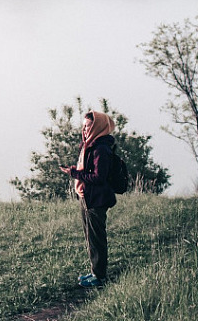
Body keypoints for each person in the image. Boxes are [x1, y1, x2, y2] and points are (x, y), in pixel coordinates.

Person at [60, 110, 116, 288]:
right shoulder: (89, 145)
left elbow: (99, 178)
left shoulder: (101, 148)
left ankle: (99, 276)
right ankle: (95, 272)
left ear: (98, 127)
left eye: (88, 126)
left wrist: (75, 173)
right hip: (87, 196)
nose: (84, 130)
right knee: (90, 237)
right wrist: (76, 171)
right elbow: (90, 171)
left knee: (97, 237)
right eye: (83, 126)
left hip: (96, 199)